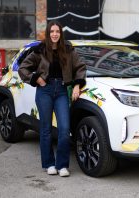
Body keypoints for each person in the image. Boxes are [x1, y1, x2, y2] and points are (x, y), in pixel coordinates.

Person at [18, 20, 86, 177]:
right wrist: (36, 78)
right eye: (52, 32)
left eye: (57, 31)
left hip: (62, 90)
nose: (55, 34)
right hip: (45, 91)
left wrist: (77, 85)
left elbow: (80, 67)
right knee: (46, 129)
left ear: (60, 33)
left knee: (64, 129)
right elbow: (23, 69)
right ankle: (49, 164)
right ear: (48, 34)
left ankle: (62, 165)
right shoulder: (40, 50)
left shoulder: (68, 50)